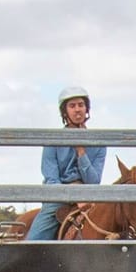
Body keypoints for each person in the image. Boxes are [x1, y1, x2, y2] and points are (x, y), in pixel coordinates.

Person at [27, 86, 106, 241]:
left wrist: (81, 152)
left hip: (89, 196)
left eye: (81, 105)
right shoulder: (52, 141)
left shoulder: (99, 144)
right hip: (58, 198)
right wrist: (73, 194)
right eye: (72, 106)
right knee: (34, 241)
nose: (77, 110)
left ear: (86, 109)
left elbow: (94, 181)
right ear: (65, 112)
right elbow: (51, 180)